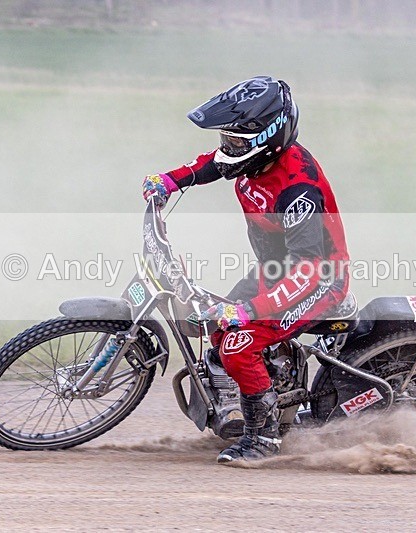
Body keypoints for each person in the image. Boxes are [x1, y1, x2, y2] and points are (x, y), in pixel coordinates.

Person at [141, 76, 350, 464]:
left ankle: (263, 438)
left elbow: (307, 272)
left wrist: (248, 311)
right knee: (213, 324)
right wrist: (170, 180)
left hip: (316, 283)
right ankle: (259, 386)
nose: (227, 149)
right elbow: (213, 164)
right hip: (275, 272)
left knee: (237, 345)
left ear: (267, 138)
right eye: (227, 139)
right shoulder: (256, 160)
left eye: (236, 142)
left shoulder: (297, 191)